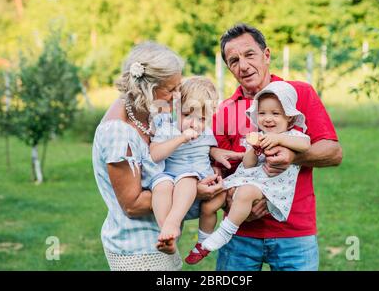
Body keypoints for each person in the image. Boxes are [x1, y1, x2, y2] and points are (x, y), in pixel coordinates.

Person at [210, 24, 343, 271]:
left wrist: (292, 156)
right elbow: (217, 171)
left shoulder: (299, 93)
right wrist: (232, 201)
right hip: (239, 235)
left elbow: (333, 153)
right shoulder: (225, 111)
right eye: (234, 60)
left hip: (294, 233)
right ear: (229, 68)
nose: (244, 65)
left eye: (250, 54)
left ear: (266, 55)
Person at [92, 41, 230, 271]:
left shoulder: (150, 115)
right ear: (147, 88)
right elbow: (133, 204)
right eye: (171, 89)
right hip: (138, 250)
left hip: (160, 242)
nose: (178, 95)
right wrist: (195, 191)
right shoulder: (117, 131)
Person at [185, 81, 311, 263]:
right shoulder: (257, 135)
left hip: (271, 186)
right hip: (246, 179)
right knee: (210, 204)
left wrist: (277, 138)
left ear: (289, 118)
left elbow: (306, 144)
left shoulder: (293, 136)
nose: (268, 119)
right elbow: (249, 165)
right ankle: (203, 244)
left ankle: (225, 232)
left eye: (275, 114)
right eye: (262, 113)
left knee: (245, 192)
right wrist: (253, 149)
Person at [149, 77, 219, 252]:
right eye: (187, 115)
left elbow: (211, 151)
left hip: (194, 185)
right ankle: (168, 234)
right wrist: (181, 138)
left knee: (188, 178)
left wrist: (221, 157)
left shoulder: (207, 133)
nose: (193, 123)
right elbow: (155, 154)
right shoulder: (168, 129)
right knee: (161, 184)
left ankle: (172, 224)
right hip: (170, 179)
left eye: (201, 119)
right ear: (176, 108)